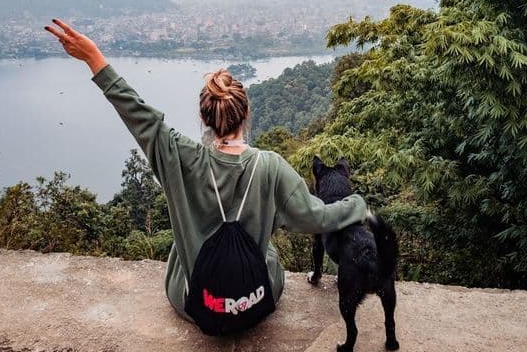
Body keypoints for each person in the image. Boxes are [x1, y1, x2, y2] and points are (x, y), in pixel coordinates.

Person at [44, 18, 369, 321]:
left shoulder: (179, 156)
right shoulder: (270, 166)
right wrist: (357, 205)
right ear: (246, 115)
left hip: (194, 301)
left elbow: (137, 114)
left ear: (203, 118)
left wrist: (94, 58)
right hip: (257, 298)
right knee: (265, 249)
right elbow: (315, 218)